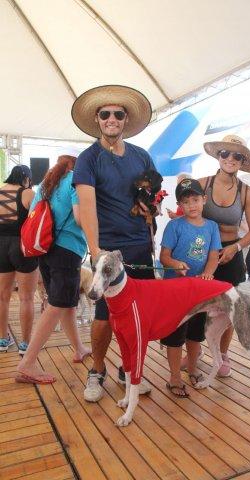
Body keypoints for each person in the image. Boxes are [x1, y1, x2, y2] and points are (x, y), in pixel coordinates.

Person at [72, 85, 158, 402]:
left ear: (125, 120)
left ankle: (127, 370)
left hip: (139, 248)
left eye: (117, 114)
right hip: (108, 252)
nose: (111, 119)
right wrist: (96, 252)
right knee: (104, 316)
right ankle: (97, 371)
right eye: (105, 113)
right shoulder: (88, 159)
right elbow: (87, 208)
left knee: (137, 316)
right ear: (97, 119)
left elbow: (149, 198)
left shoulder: (141, 156)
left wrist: (153, 207)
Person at [16, 155, 90, 383]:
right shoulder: (76, 182)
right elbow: (79, 218)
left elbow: (33, 215)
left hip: (45, 250)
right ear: (75, 167)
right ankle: (27, 363)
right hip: (67, 250)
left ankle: (79, 348)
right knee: (57, 304)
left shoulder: (45, 185)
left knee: (65, 302)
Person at [193, 134, 250, 377]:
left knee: (228, 310)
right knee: (196, 305)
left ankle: (222, 354)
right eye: (225, 153)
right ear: (218, 156)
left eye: (237, 155)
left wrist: (236, 247)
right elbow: (186, 213)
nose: (230, 158)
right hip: (202, 252)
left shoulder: (247, 193)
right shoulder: (201, 183)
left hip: (231, 253)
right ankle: (194, 351)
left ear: (242, 161)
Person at [160, 179, 221, 397]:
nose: (192, 205)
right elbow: (164, 256)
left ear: (204, 200)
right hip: (175, 290)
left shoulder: (212, 227)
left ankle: (193, 369)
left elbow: (214, 256)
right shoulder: (174, 225)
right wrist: (176, 265)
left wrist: (208, 273)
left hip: (199, 291)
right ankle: (174, 376)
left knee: (195, 334)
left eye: (195, 200)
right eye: (186, 202)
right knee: (176, 334)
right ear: (179, 205)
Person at [0, 165, 38, 354]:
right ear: (26, 178)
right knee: (26, 298)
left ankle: (2, 340)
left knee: (2, 297)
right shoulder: (28, 193)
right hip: (22, 247)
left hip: (0, 248)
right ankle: (25, 344)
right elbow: (39, 221)